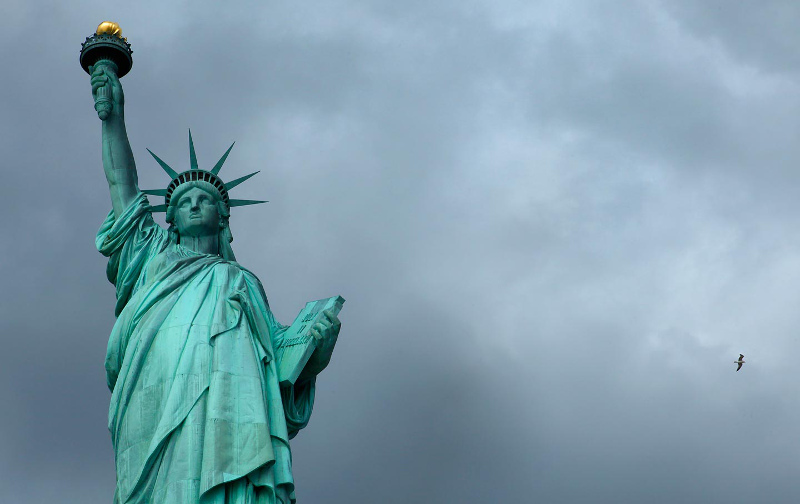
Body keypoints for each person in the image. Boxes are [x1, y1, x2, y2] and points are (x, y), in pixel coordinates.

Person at [90, 64, 340, 504]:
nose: (194, 205)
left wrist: (315, 352)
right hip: (156, 385)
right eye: (184, 201)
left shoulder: (241, 281)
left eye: (204, 199)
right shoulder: (151, 257)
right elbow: (122, 186)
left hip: (230, 400)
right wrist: (113, 117)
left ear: (222, 216)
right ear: (168, 218)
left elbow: (276, 364)